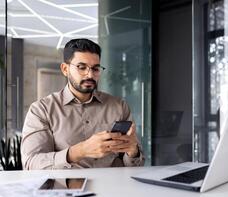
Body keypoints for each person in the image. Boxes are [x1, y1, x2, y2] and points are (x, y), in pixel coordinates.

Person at [21, 38, 145, 170]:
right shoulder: (41, 110)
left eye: (96, 69)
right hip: (66, 189)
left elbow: (136, 164)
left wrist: (133, 152)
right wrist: (81, 150)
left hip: (114, 187)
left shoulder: (119, 106)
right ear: (65, 69)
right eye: (82, 67)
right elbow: (31, 164)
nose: (90, 74)